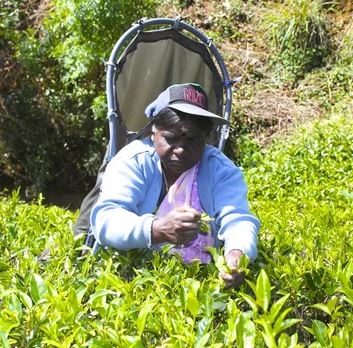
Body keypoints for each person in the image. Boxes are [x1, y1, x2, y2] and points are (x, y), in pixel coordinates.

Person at [90, 83, 260, 288]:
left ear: (206, 140)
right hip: (128, 282)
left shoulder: (220, 169)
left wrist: (237, 253)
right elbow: (106, 219)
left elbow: (238, 219)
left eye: (194, 140)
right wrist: (158, 229)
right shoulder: (134, 161)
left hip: (198, 284)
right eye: (170, 139)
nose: (180, 150)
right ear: (154, 133)